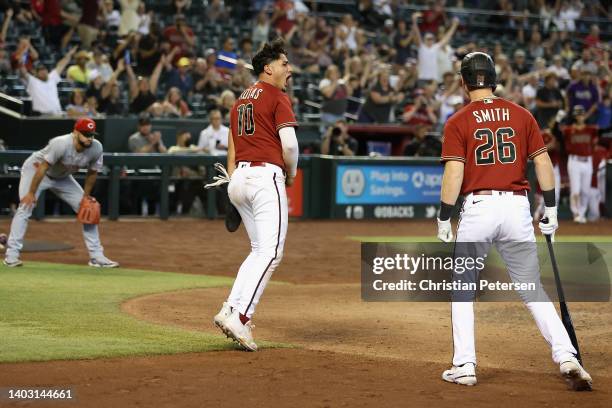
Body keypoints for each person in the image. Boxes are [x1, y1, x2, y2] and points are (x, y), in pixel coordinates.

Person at [436, 52, 592, 390]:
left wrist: (444, 216)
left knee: (462, 288)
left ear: (464, 83)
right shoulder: (522, 115)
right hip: (517, 208)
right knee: (531, 288)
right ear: (494, 78)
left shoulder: (458, 120)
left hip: (480, 207)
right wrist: (551, 207)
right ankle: (567, 354)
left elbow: (454, 172)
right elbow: (543, 164)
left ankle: (464, 364)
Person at [213, 39, 299, 351]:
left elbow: (232, 144)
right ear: (268, 68)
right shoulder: (276, 96)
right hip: (265, 175)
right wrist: (291, 173)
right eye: (284, 64)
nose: (289, 69)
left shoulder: (240, 100)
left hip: (239, 176)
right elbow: (289, 145)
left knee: (258, 249)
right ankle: (242, 317)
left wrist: (234, 179)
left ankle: (230, 309)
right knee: (271, 252)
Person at [3, 118, 118, 268]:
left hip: (62, 177)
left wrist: (85, 197)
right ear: (76, 132)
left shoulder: (96, 148)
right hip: (36, 170)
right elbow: (43, 168)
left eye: (91, 134)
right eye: (85, 134)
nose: (89, 138)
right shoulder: (61, 143)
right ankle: (11, 256)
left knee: (88, 209)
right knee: (25, 207)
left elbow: (92, 173)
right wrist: (31, 193)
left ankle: (97, 257)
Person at [561, 105, 598, 223]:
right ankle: (576, 213)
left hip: (588, 161)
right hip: (574, 161)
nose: (580, 116)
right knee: (576, 190)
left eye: (581, 114)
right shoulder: (568, 130)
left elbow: (595, 143)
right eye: (578, 114)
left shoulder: (592, 129)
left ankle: (582, 213)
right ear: (574, 116)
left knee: (585, 191)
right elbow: (556, 132)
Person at [20, 46, 78, 116]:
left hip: (57, 114)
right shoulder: (32, 81)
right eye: (40, 70)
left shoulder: (52, 77)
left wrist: (69, 54)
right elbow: (22, 69)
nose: (43, 72)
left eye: (44, 69)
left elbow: (61, 65)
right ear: (36, 73)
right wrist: (23, 51)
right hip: (42, 116)